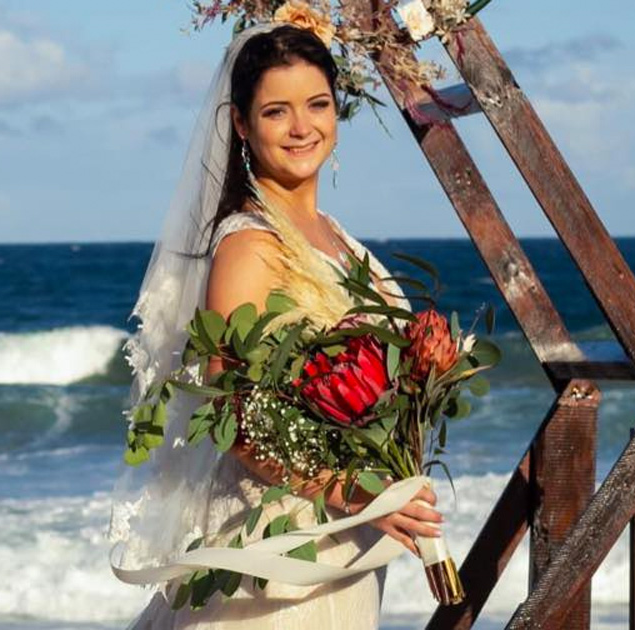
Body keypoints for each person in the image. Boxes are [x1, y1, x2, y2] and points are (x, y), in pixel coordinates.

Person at [111, 23, 443, 629]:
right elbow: (230, 410)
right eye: (276, 111)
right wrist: (355, 495)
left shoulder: (338, 236)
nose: (301, 128)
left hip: (343, 545)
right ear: (242, 125)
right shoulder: (249, 247)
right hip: (275, 553)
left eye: (317, 105)